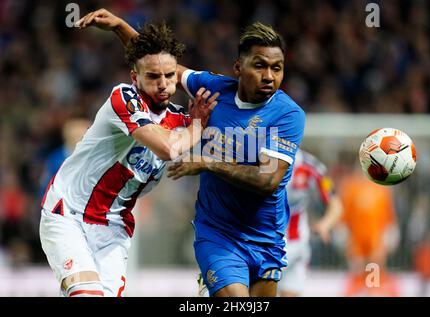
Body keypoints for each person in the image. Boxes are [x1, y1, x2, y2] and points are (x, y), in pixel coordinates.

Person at [77, 8, 305, 297]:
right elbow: (161, 66)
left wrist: (209, 163)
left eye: (277, 68)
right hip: (218, 234)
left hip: (267, 238)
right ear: (238, 67)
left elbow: (268, 181)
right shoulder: (214, 90)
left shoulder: (288, 114)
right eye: (259, 66)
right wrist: (120, 26)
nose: (269, 76)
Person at [39, 22, 219, 297]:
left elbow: (223, 124)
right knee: (86, 294)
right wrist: (197, 127)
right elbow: (167, 148)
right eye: (153, 76)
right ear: (135, 77)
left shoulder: (182, 119)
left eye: (170, 76)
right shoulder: (123, 97)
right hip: (69, 214)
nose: (163, 85)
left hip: (114, 228)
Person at [278, 150, 343, 297]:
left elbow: (336, 204)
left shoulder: (311, 165)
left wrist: (325, 224)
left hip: (298, 245)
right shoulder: (259, 160)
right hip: (267, 246)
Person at [337, 164, 400, 297]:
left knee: (375, 271)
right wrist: (344, 238)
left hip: (376, 241)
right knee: (357, 270)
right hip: (356, 242)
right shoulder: (350, 188)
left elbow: (388, 216)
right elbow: (344, 217)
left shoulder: (381, 189)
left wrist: (389, 235)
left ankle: (374, 292)